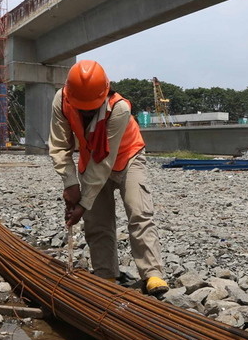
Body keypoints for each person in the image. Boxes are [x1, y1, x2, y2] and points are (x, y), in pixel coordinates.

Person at [49, 59, 169, 297]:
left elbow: (105, 161)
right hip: (90, 160)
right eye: (80, 105)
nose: (85, 110)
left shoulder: (120, 108)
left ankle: (152, 273)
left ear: (105, 92)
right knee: (97, 220)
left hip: (127, 157)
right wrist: (70, 183)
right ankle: (106, 275)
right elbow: (59, 145)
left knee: (139, 212)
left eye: (90, 106)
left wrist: (83, 203)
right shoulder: (61, 100)